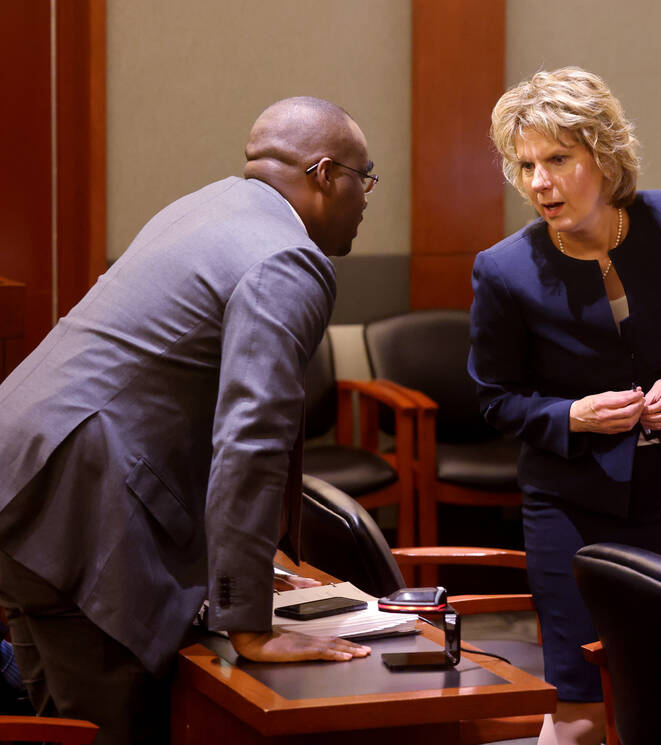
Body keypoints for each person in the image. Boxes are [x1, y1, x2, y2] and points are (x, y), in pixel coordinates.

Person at [0, 96, 375, 744]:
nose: (366, 199)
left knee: (58, 726)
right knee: (123, 725)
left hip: (21, 479)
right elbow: (252, 438)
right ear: (323, 175)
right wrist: (248, 619)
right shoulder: (290, 257)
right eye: (363, 179)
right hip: (79, 512)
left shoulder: (204, 206)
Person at [470, 67, 661, 745]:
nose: (539, 182)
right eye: (525, 164)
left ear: (605, 155)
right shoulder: (504, 271)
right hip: (572, 504)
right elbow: (494, 398)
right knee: (583, 705)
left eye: (558, 159)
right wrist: (571, 417)